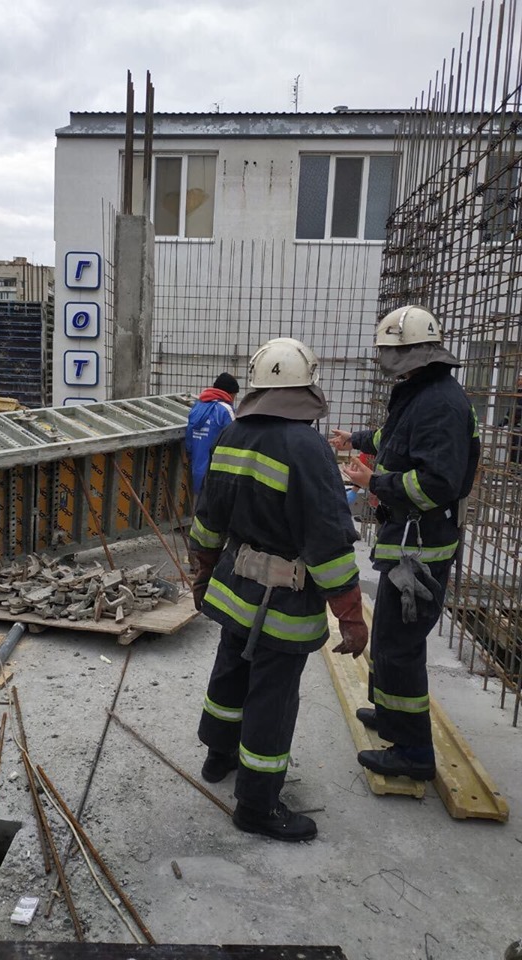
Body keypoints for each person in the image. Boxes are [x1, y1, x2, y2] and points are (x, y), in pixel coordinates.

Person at [189, 337, 368, 842]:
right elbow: (330, 543)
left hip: (233, 587)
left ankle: (218, 757)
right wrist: (351, 615)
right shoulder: (306, 448)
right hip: (285, 603)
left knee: (230, 672)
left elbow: (208, 518)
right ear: (306, 390)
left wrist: (201, 573)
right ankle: (258, 804)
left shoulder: (234, 435)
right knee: (273, 696)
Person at [331, 305, 480, 782]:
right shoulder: (422, 393)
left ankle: (413, 753)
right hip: (409, 539)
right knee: (394, 639)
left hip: (422, 548)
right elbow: (392, 437)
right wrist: (353, 439)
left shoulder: (439, 403)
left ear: (409, 354)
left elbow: (439, 481)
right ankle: (391, 715)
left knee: (399, 645)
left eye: (388, 352)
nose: (383, 360)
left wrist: (379, 482)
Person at [185, 372, 239, 497]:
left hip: (197, 469)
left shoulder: (197, 407)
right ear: (230, 394)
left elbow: (189, 440)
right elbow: (235, 440)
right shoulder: (225, 410)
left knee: (200, 509)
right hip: (218, 473)